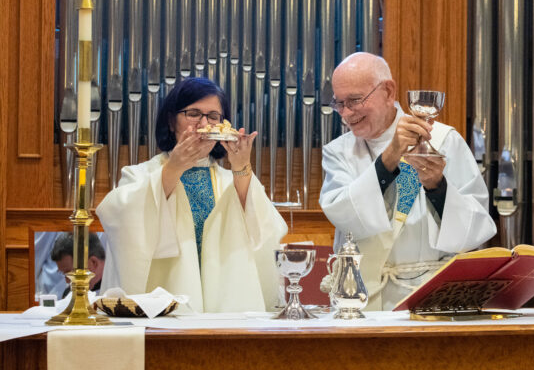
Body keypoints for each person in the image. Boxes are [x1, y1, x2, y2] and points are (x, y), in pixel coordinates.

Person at [319, 53, 496, 310]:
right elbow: (345, 216)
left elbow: (476, 227)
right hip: (360, 300)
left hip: (430, 300)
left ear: (388, 91)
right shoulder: (339, 152)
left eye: (355, 100)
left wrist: (437, 187)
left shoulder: (443, 140)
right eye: (339, 103)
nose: (346, 113)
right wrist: (389, 158)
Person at [96, 77, 287, 313]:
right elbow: (120, 219)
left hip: (225, 309)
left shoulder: (233, 180)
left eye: (213, 116)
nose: (203, 123)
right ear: (171, 120)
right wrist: (174, 168)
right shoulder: (142, 175)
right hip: (166, 308)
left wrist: (241, 167)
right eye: (194, 113)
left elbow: (265, 232)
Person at [50, 232, 106, 297]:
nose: (67, 281)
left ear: (93, 262)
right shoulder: (69, 294)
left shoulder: (117, 290)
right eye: (64, 274)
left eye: (70, 272)